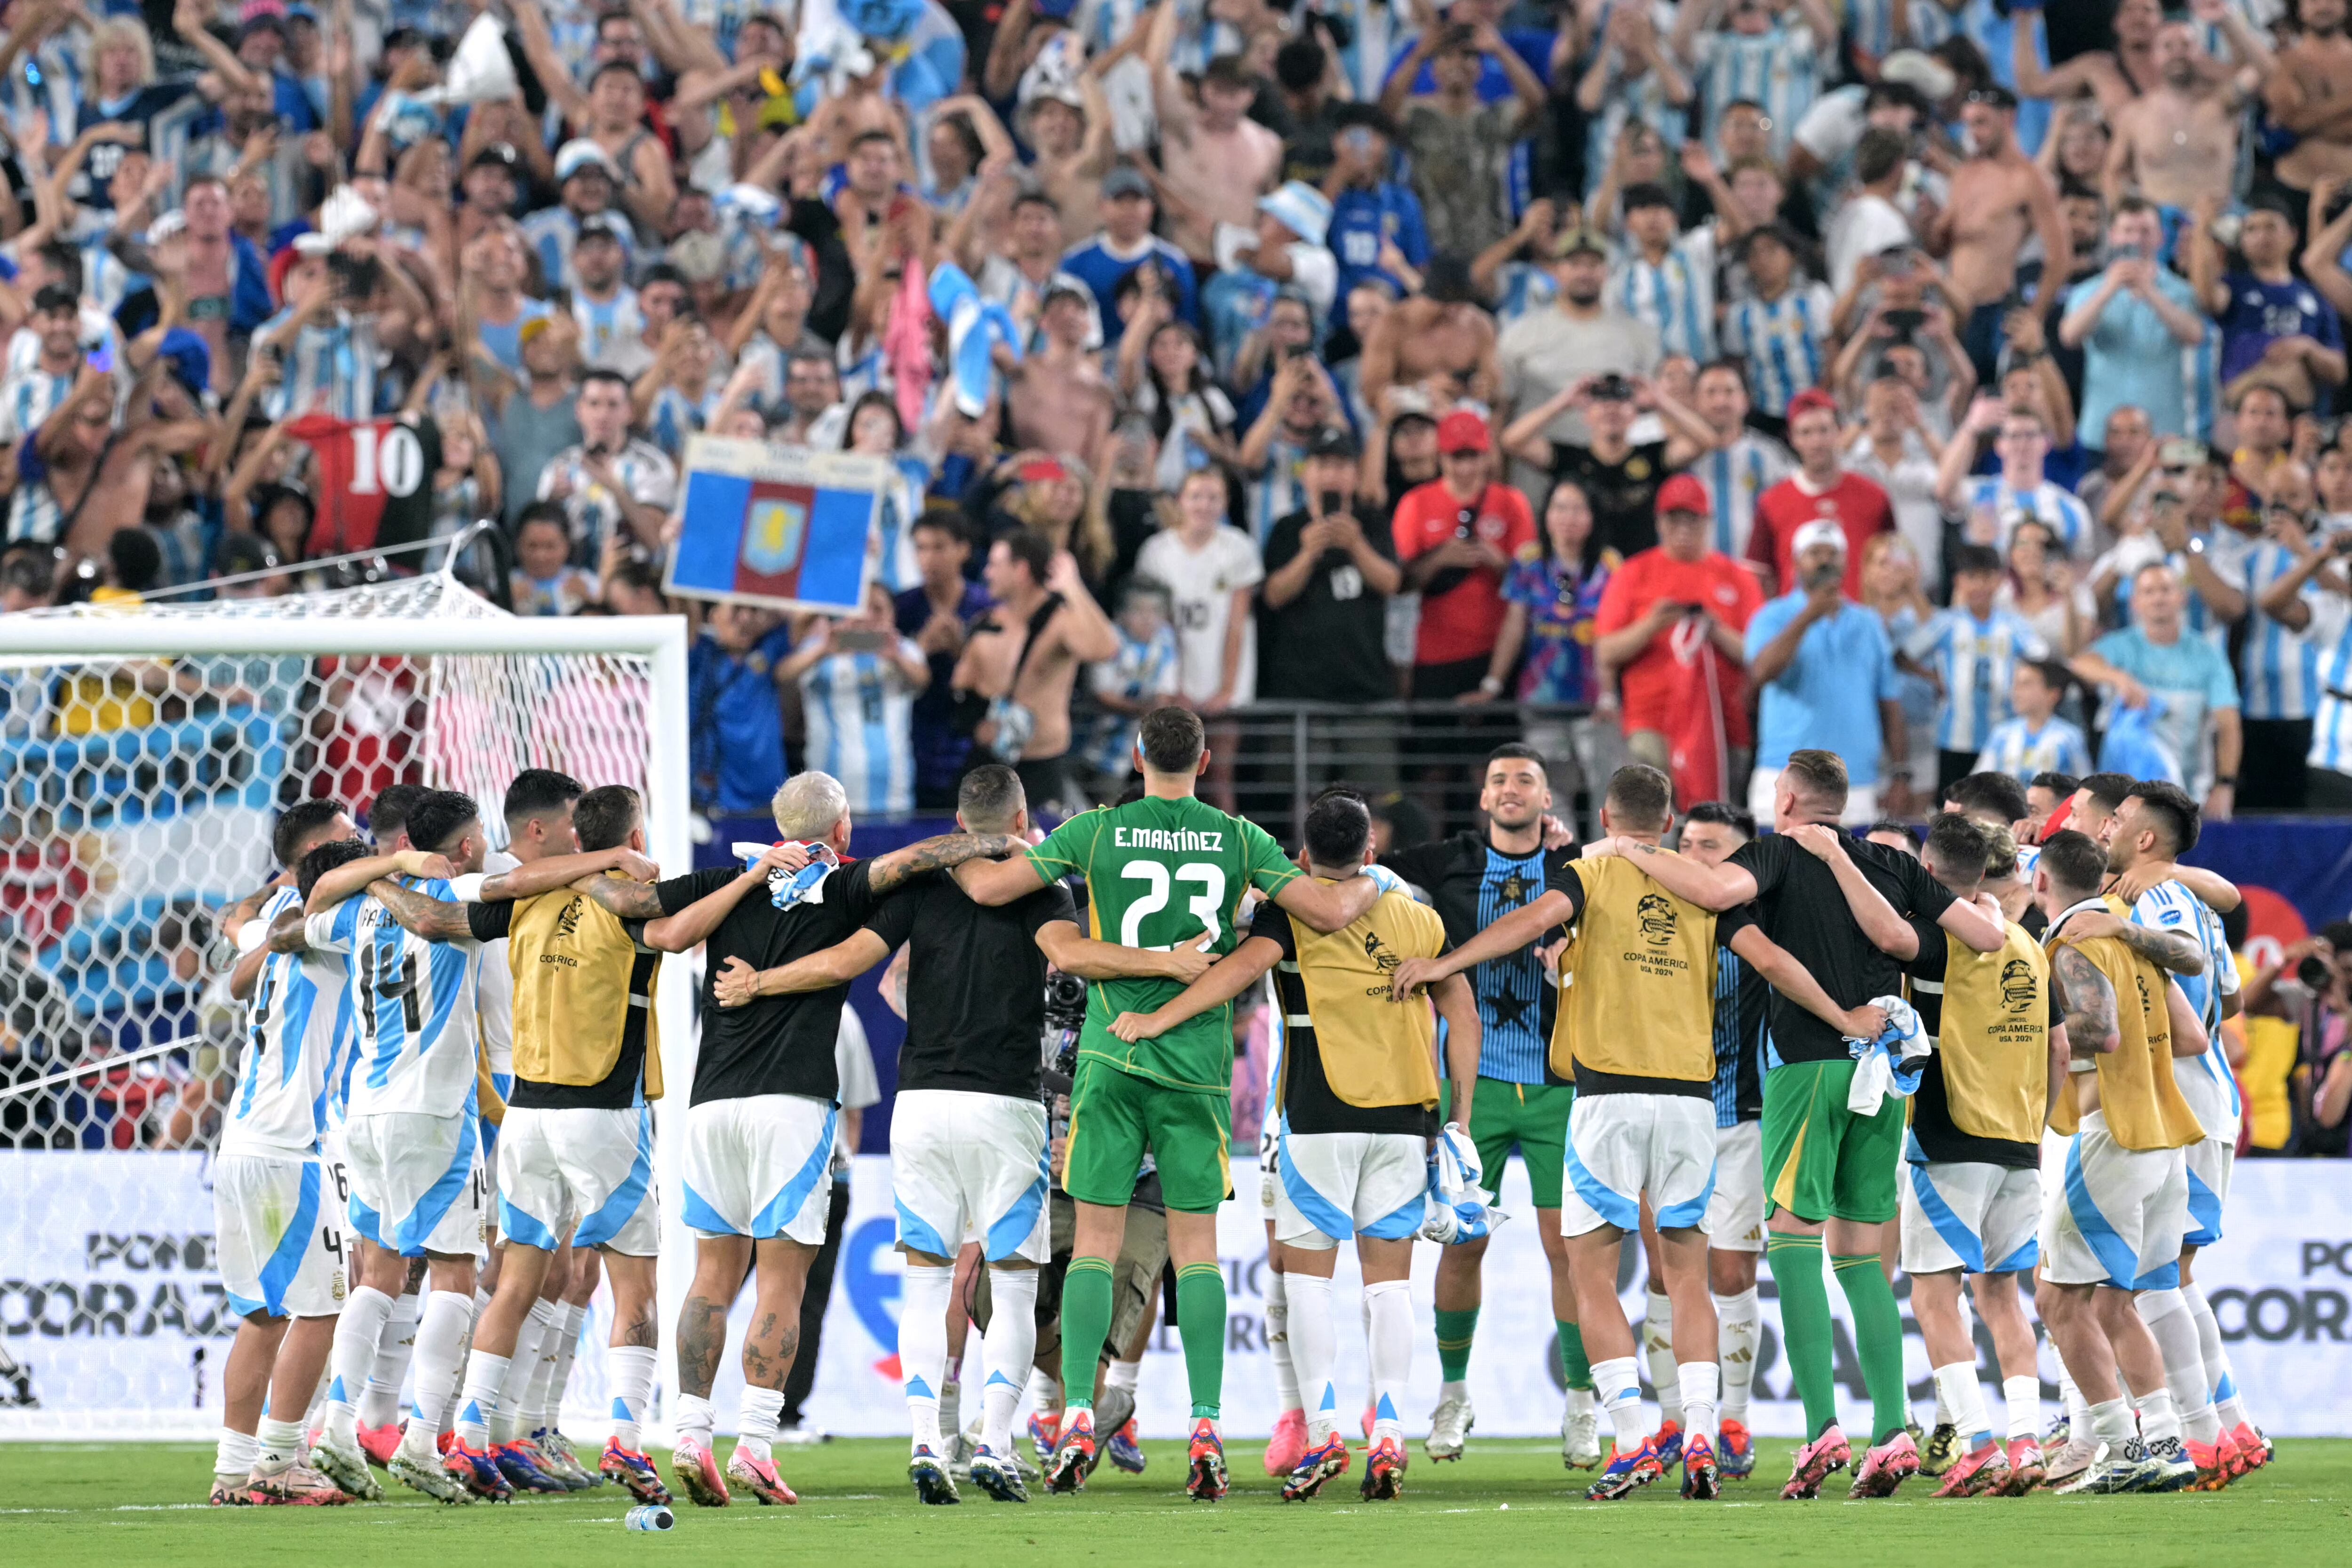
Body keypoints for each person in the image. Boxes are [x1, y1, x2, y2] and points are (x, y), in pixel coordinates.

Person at [699, 764, 1206, 1502]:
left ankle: (925, 1442)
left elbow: (850, 965)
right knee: (1013, 1279)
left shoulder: (917, 887)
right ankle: (997, 1444)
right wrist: (1168, 963)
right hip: (1004, 1104)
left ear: (961, 818)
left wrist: (758, 983)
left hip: (922, 1103)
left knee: (928, 1279)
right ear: (1022, 815)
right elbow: (1070, 957)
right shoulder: (1043, 887)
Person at [1398, 760, 1890, 1501]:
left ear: (1604, 817)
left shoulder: (1588, 876)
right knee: (1688, 1274)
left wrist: (1447, 961)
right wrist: (1847, 1015)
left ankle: (1630, 1436)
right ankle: (1700, 1431)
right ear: (1668, 822)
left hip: (1607, 1100)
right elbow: (1773, 961)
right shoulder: (1707, 888)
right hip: (1693, 1102)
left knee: (1591, 1269)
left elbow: (1523, 924)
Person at [946, 706, 1383, 1501]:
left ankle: (1076, 1410)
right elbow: (1323, 911)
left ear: (1139, 754)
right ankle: (1208, 1426)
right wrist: (1365, 884)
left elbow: (993, 885)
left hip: (1112, 1055)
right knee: (1199, 1253)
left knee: (1093, 1249)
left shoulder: (1095, 828)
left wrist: (958, 849)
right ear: (1208, 758)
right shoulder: (1239, 836)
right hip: (1197, 1069)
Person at [567, 775, 1026, 1507]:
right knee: (781, 1282)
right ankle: (754, 1444)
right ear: (841, 831)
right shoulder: (848, 887)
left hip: (712, 1101)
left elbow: (632, 906)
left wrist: (579, 865)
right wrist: (1003, 839)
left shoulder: (727, 880)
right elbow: (918, 859)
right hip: (793, 1104)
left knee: (712, 1277)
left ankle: (689, 1431)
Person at [1592, 748, 2007, 1499]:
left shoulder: (1778, 853)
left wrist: (1632, 848)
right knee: (1859, 1252)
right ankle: (1891, 1429)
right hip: (1888, 1072)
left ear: (1786, 798)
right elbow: (1982, 939)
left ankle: (1822, 1428)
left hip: (1809, 1063)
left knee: (1791, 1236)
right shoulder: (1892, 863)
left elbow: (1717, 890)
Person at [1111, 791, 1478, 1503]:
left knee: (1307, 1284)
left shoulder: (1290, 913)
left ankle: (1324, 1431)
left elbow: (1234, 973)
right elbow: (1461, 1013)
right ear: (1371, 851)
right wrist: (1459, 1117)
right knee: (1389, 1286)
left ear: (1303, 858)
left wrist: (1159, 1018)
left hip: (1318, 1114)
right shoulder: (1420, 918)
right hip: (1407, 1119)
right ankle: (1393, 1429)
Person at [293, 790, 641, 1502]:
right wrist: (608, 858)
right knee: (455, 1270)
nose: (486, 843)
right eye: (479, 833)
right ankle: (424, 1441)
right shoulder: (453, 893)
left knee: (379, 1272)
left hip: (365, 1110)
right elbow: (520, 884)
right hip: (433, 1110)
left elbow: (314, 898)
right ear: (465, 846)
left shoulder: (360, 908)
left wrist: (380, 869)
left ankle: (336, 1425)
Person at [1374, 745, 1581, 1463]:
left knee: (1572, 1251)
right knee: (1464, 1244)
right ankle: (1453, 1395)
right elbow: (1367, 876)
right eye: (1497, 779)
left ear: (1547, 800)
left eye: (1525, 778)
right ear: (1484, 797)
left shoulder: (1576, 866)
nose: (1510, 788)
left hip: (1561, 1085)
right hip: (1474, 1089)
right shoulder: (1445, 862)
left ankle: (1581, 1405)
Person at [1889, 813, 2062, 1498]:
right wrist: (2036, 1126)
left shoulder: (1936, 942)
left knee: (1935, 1296)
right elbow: (2059, 1048)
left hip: (1950, 1132)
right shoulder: (2026, 942)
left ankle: (1979, 1444)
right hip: (2021, 1140)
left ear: (1928, 875)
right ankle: (2026, 1439)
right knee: (2003, 1296)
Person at [2031, 828, 2208, 1496]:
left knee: (2057, 1298)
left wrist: (2020, 1032)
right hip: (2165, 1135)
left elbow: (2099, 1028)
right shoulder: (2129, 933)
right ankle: (2165, 1441)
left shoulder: (2072, 943)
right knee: (2115, 1304)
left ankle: (2120, 1444)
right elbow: (2190, 1023)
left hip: (2111, 1132)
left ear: (2043, 883)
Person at [2094, 781, 2251, 1487]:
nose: (2108, 827)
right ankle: (2227, 1426)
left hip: (2182, 1104)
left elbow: (2185, 956)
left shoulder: (2158, 900)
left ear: (2146, 838)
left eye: (2118, 819)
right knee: (2168, 1275)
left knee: (2155, 1276)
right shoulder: (2175, 891)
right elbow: (2232, 993)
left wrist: (2123, 930)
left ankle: (2205, 1435)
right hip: (2197, 1101)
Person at [211, 801, 367, 1507]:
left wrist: (276, 893)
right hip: (290, 1150)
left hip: (243, 1144)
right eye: (351, 842)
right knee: (322, 1310)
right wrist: (399, 864)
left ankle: (234, 1470)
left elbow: (228, 923)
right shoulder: (327, 930)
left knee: (263, 1315)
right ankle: (279, 1462)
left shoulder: (277, 930)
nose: (362, 846)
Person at [1591, 475, 1764, 806]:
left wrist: (1714, 629)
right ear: (1659, 522)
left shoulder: (1737, 577)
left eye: (1693, 518)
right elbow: (1607, 650)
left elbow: (1758, 655)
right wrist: (1652, 624)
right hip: (1653, 719)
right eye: (1674, 518)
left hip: (1722, 724)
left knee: (1717, 820)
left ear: (1708, 521)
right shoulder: (1634, 573)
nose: (1683, 527)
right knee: (1654, 819)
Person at [1746, 522, 1913, 823]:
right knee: (1779, 869)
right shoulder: (1772, 616)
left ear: (1846, 562)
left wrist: (1900, 772)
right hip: (1784, 774)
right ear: (1796, 562)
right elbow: (1760, 673)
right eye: (1814, 553)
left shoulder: (1868, 623)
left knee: (1851, 869)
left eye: (1832, 553)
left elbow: (1889, 703)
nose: (1825, 560)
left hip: (1856, 779)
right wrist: (1809, 615)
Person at [951, 528, 1123, 818]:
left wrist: (1072, 586)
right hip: (990, 765)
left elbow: (1106, 649)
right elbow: (960, 691)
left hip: (1042, 766)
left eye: (995, 564)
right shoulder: (986, 625)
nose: (987, 572)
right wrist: (978, 726)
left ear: (1020, 570)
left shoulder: (1061, 622)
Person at [2070, 562, 2243, 815]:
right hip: (2123, 797)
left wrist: (2225, 785)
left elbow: (2229, 725)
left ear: (2181, 598)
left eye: (2165, 590)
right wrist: (2119, 678)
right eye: (2149, 592)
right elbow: (2079, 664)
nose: (2158, 598)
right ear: (2135, 603)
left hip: (2188, 793)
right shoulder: (2121, 646)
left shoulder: (2208, 654)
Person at [1930, 84, 2071, 387]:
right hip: (1956, 311)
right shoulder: (1965, 174)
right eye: (1968, 124)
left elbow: (2059, 256)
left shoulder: (2029, 180)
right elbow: (1940, 248)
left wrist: (2034, 317)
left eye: (1981, 122)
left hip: (1996, 308)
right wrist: (1937, 228)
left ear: (2008, 119)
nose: (1973, 133)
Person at [1903, 542, 2054, 797]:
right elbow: (1904, 655)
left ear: (1999, 581)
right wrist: (1933, 678)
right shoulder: (1947, 623)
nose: (1979, 586)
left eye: (1987, 578)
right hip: (1954, 737)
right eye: (1971, 578)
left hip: (2001, 736)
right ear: (1959, 581)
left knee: (1997, 808)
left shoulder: (2013, 624)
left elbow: (2043, 660)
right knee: (1951, 809)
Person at [1748, 389, 1895, 597]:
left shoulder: (1875, 497)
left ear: (1840, 431)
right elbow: (1760, 575)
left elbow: (1892, 564)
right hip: (1797, 624)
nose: (1816, 442)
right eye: (1806, 433)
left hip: (1861, 622)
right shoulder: (1771, 502)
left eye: (1824, 431)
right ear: (1792, 438)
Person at [1977, 659, 2094, 783]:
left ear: (2053, 694)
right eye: (2015, 684)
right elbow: (1978, 782)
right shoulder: (2002, 733)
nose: (2016, 691)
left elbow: (2085, 784)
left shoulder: (2069, 737)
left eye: (2026, 684)